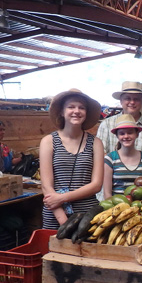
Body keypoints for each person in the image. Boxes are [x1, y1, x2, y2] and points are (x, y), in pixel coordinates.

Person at [39, 89, 104, 229]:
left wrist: (63, 198)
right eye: (71, 107)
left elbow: (96, 185)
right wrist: (64, 221)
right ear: (62, 112)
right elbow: (46, 186)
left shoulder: (96, 143)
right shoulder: (48, 141)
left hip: (87, 216)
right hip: (55, 214)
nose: (77, 111)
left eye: (82, 107)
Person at [96, 81, 142, 174]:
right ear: (121, 101)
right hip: (113, 183)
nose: (132, 102)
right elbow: (100, 154)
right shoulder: (106, 125)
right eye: (127, 98)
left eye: (136, 99)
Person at [103, 114, 142, 199]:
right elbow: (107, 193)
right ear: (117, 136)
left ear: (137, 134)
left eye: (130, 132)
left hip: (139, 207)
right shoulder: (110, 159)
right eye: (122, 133)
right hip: (117, 208)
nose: (126, 136)